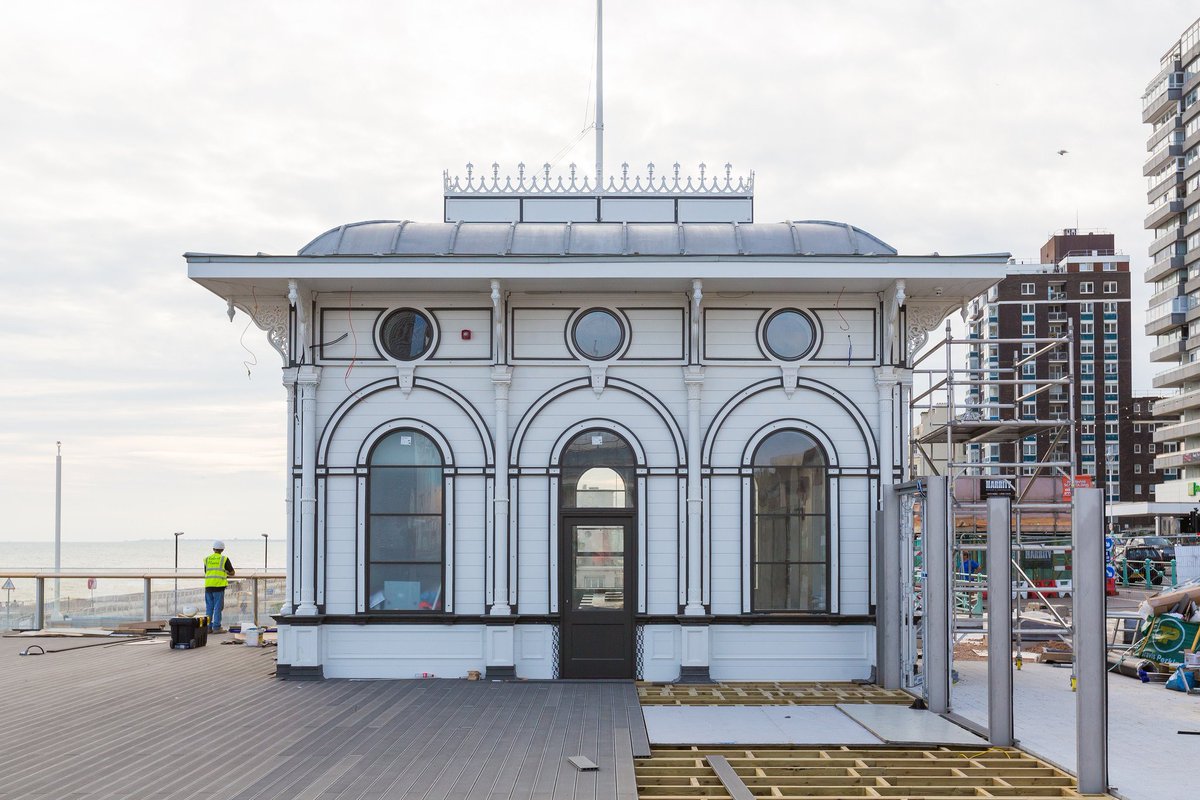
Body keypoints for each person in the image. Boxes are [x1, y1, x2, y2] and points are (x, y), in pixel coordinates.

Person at [203, 540, 235, 632]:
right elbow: (232, 572)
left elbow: (206, 571)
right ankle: (216, 627)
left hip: (208, 585)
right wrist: (225, 572)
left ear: (213, 549)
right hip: (219, 586)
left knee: (209, 608)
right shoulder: (224, 559)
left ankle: (208, 627)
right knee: (218, 607)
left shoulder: (207, 559)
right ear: (222, 550)